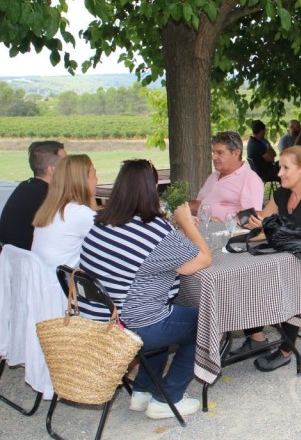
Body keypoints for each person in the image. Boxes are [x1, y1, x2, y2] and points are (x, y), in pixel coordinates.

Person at [79, 159, 212, 419]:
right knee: (206, 320)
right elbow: (203, 260)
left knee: (163, 308)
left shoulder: (101, 223)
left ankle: (143, 388)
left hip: (104, 320)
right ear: (152, 189)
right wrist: (186, 223)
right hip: (134, 325)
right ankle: (168, 398)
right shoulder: (152, 229)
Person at [237, 147, 301, 372]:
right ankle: (256, 337)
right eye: (279, 167)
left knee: (291, 282)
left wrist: (270, 227)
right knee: (248, 275)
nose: (279, 173)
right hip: (288, 255)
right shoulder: (282, 194)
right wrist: (249, 222)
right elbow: (263, 221)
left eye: (285, 168)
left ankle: (286, 351)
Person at [30, 155, 98, 269]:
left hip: (42, 276)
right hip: (62, 279)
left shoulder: (51, 208)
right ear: (83, 180)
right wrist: (91, 195)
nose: (97, 179)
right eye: (94, 175)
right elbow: (107, 240)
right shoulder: (80, 213)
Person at [0, 140, 66, 249]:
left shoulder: (25, 187)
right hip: (30, 255)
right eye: (66, 162)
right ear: (52, 169)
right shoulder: (47, 195)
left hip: (11, 254)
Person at [194, 131, 265, 222]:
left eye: (220, 153)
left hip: (225, 230)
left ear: (236, 153)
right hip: (200, 226)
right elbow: (200, 202)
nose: (214, 157)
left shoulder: (250, 179)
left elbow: (251, 220)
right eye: (213, 152)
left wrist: (221, 223)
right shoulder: (214, 175)